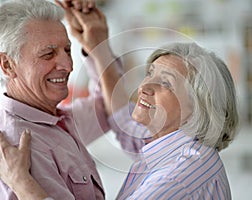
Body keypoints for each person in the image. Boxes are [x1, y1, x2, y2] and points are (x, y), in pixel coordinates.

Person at [1, 41, 239, 199]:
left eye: (166, 83)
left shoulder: (177, 178)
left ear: (198, 108)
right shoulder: (177, 148)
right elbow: (124, 121)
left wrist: (21, 182)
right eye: (150, 74)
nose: (145, 86)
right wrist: (96, 39)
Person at [0, 0, 146, 199]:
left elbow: (110, 106)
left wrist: (97, 42)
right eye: (48, 54)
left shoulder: (57, 120)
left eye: (67, 51)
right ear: (7, 65)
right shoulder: (19, 147)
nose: (68, 66)